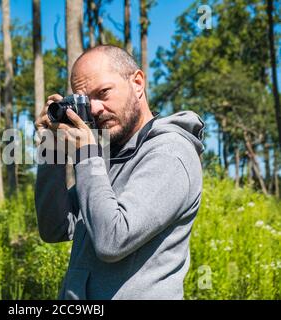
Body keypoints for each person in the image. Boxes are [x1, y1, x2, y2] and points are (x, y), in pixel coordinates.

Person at [34, 45, 205, 300]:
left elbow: (113, 241)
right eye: (85, 100)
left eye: (103, 93)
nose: (95, 109)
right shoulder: (106, 158)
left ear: (137, 83)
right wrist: (51, 150)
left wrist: (85, 154)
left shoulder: (171, 153)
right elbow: (55, 228)